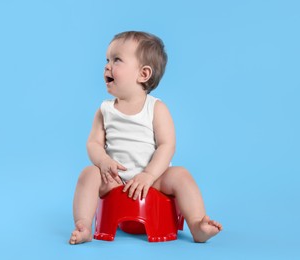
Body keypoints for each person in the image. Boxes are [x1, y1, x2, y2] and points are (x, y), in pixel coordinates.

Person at [69, 31, 222, 245]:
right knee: (88, 174)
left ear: (143, 74)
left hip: (154, 182)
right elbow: (93, 143)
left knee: (181, 175)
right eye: (107, 60)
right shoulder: (104, 110)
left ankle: (197, 225)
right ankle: (84, 225)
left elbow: (167, 146)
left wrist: (149, 175)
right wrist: (103, 162)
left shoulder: (156, 108)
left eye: (117, 60)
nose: (107, 66)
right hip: (116, 180)